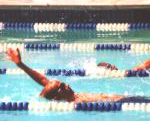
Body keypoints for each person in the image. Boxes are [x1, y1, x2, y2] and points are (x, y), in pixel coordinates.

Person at [6, 48, 150, 103]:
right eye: (62, 86)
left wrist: (20, 64)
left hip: (124, 98)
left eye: (62, 83)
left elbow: (42, 80)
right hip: (123, 102)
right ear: (57, 96)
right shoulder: (76, 102)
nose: (66, 84)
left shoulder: (67, 94)